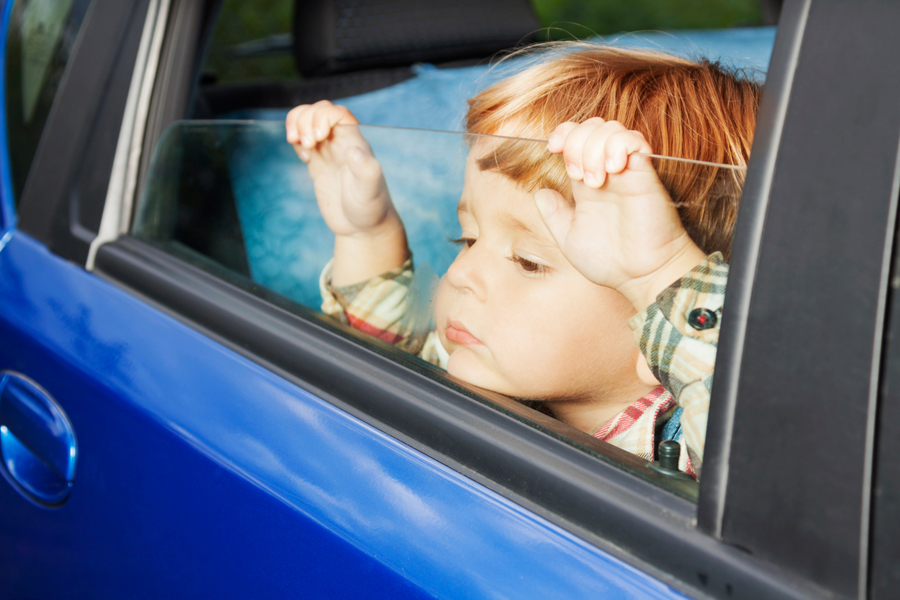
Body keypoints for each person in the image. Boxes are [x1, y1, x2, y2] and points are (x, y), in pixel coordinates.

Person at [286, 44, 760, 478]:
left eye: (529, 262)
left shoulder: (703, 454)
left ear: (655, 325)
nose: (461, 274)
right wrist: (367, 233)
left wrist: (659, 270)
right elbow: (381, 362)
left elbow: (768, 465)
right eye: (468, 239)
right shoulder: (501, 370)